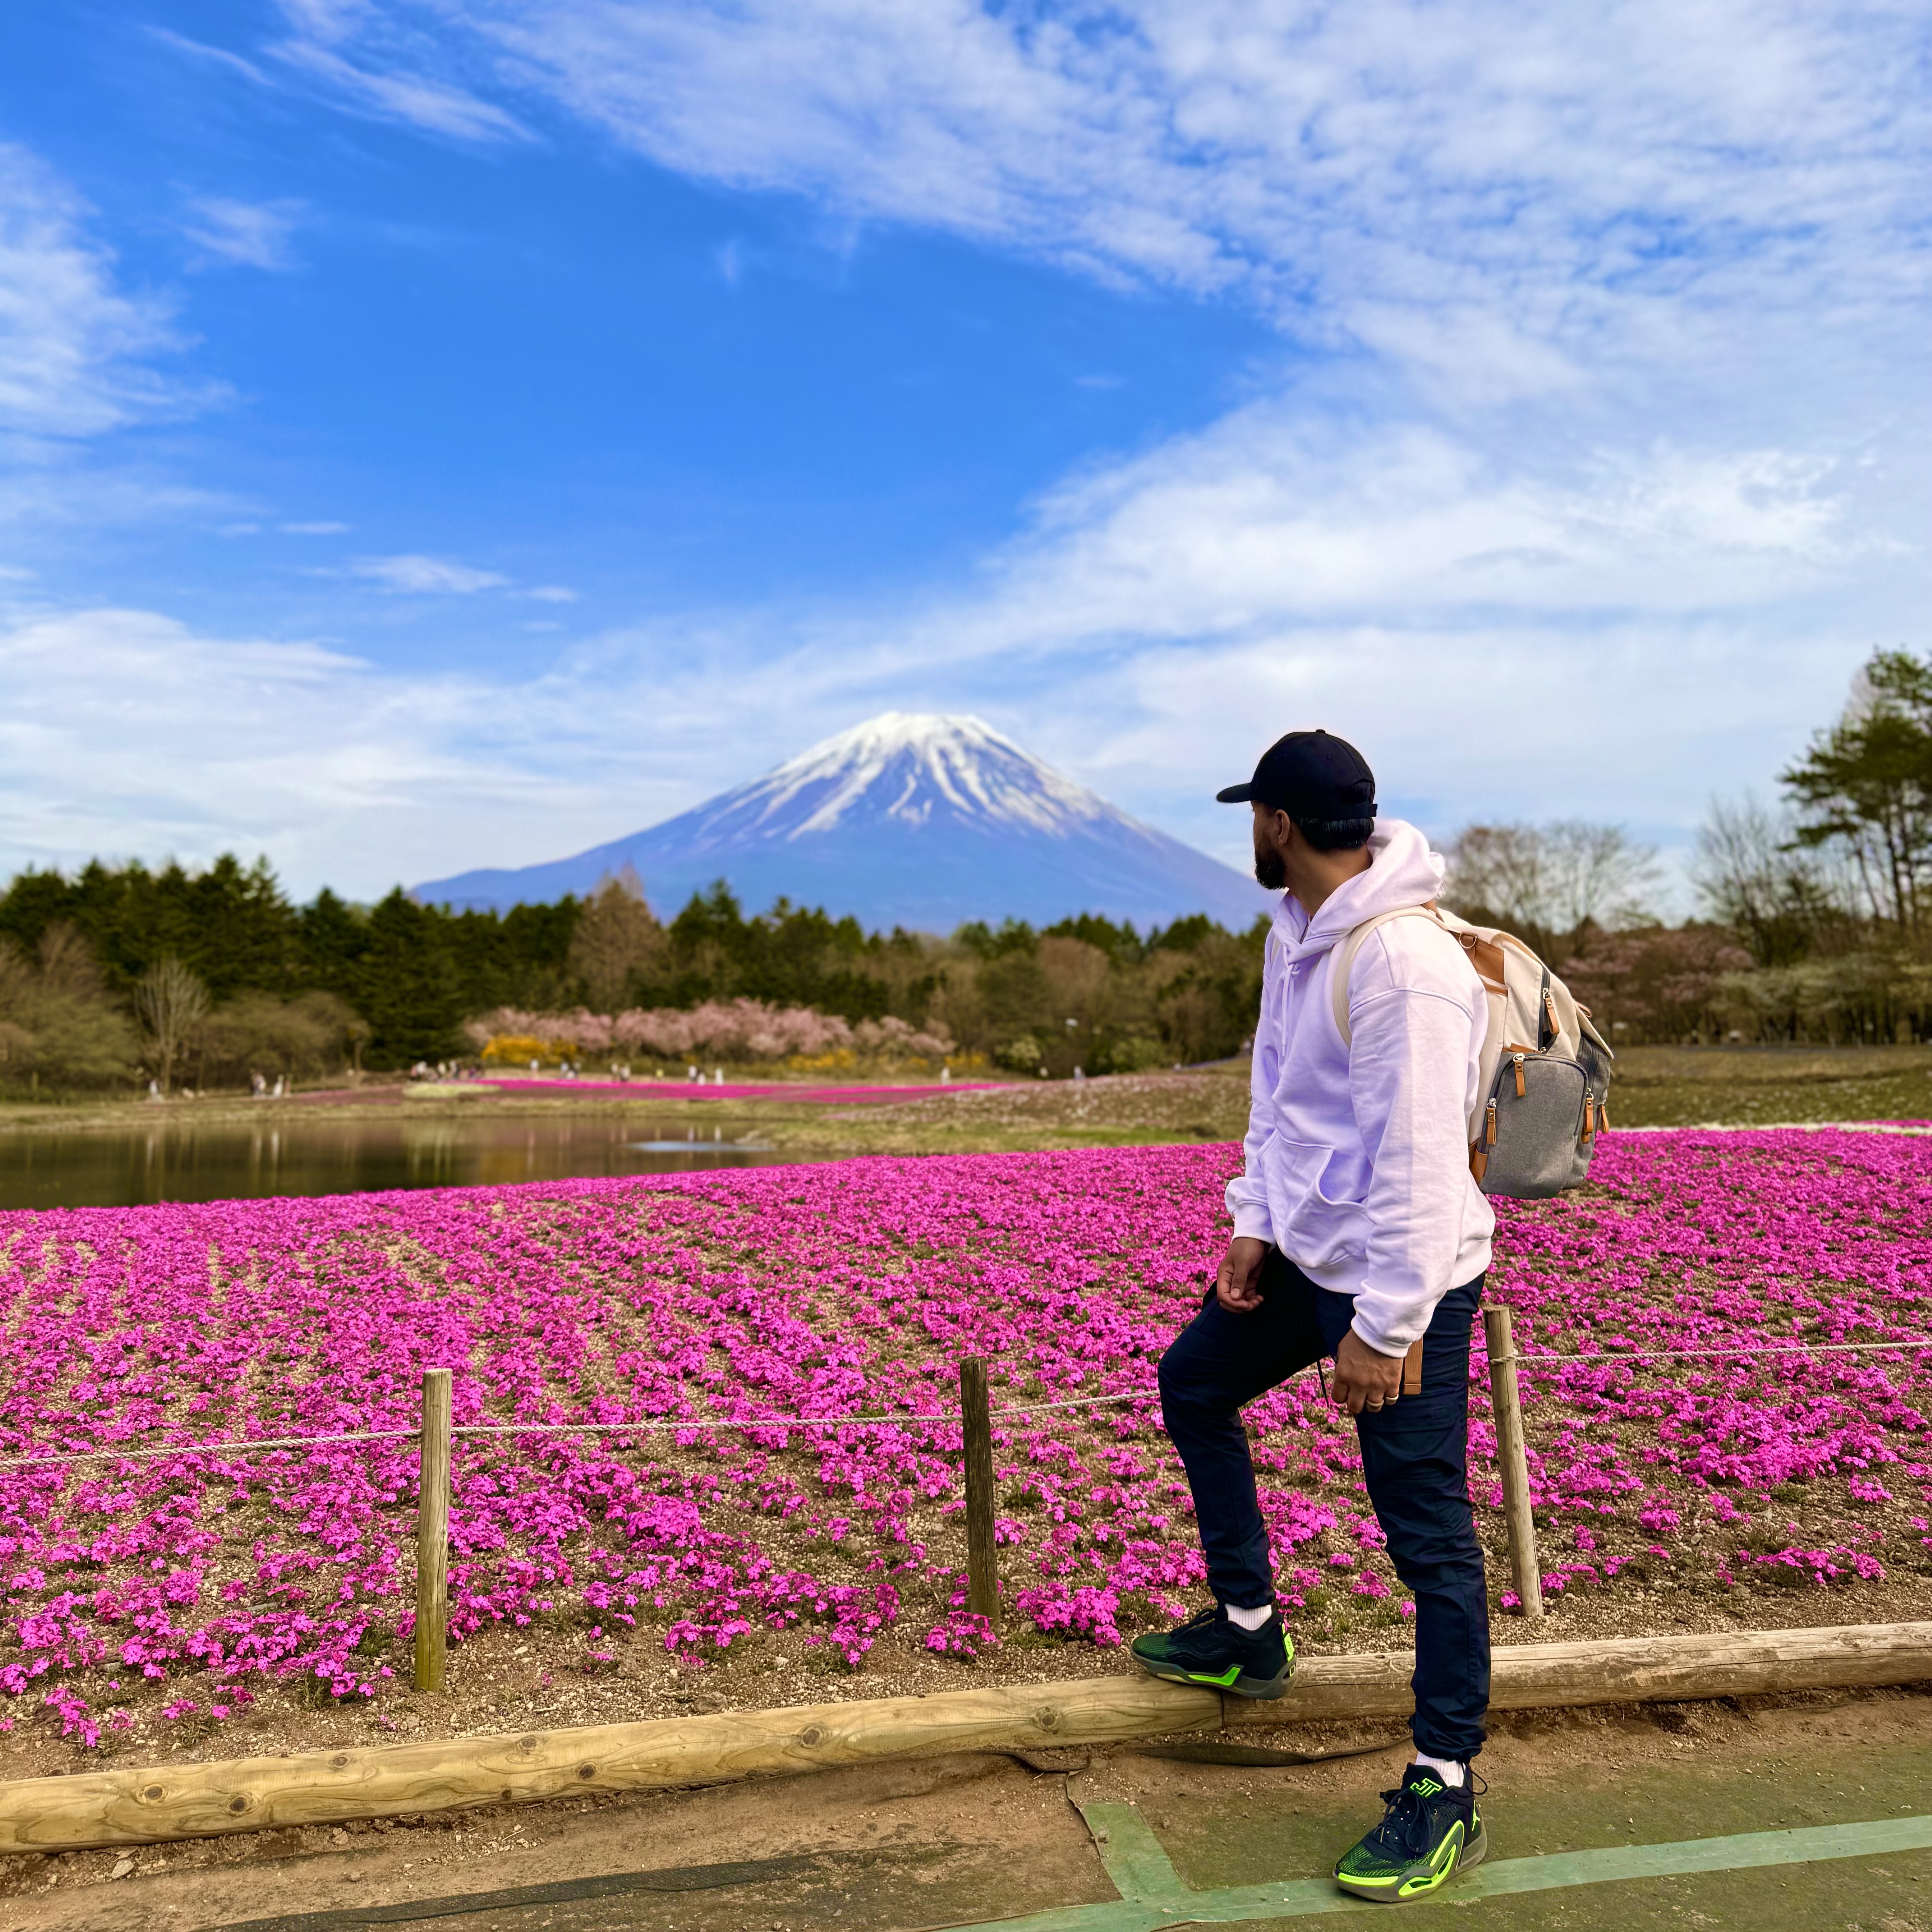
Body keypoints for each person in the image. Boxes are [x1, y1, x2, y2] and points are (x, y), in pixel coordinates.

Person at [1130, 728, 1494, 1905]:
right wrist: (1255, 1218)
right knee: (1193, 1380)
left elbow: (1423, 1167)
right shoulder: (1295, 935)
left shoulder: (1401, 962)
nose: (1248, 832)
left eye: (1253, 815)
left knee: (1422, 1528)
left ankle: (1444, 1782)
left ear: (1277, 823)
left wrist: (1384, 1328)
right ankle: (1248, 1627)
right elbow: (1281, 1103)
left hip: (1409, 1277)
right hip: (1307, 1253)